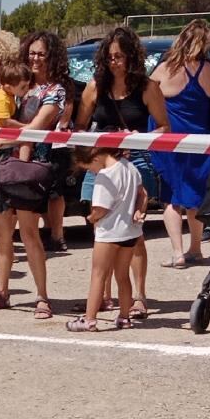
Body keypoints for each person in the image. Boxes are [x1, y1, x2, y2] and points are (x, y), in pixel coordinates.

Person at [79, 25, 164, 311]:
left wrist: (138, 139)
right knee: (100, 229)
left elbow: (165, 127)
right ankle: (102, 295)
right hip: (101, 165)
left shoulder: (148, 87)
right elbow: (80, 127)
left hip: (134, 162)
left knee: (134, 232)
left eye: (120, 56)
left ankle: (139, 296)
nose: (115, 62)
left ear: (131, 57)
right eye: (110, 57)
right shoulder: (94, 87)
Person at [0, 52, 51, 316]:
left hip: (21, 169)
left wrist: (5, 140)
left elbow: (27, 132)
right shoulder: (7, 97)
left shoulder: (43, 95)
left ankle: (41, 296)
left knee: (30, 234)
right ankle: (1, 292)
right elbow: (8, 130)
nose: (36, 60)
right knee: (2, 236)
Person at [149, 19, 210, 268]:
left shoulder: (165, 68)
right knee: (194, 195)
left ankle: (177, 252)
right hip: (200, 141)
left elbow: (146, 92)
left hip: (169, 141)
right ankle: (196, 248)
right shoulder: (208, 69)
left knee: (171, 197)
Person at [70, 135, 146, 332]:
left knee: (98, 275)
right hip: (130, 232)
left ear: (95, 158)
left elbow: (101, 208)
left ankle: (89, 319)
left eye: (89, 169)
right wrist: (138, 210)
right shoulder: (129, 167)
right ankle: (124, 316)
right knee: (123, 276)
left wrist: (92, 217)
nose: (92, 173)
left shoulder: (105, 176)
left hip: (109, 232)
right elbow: (143, 194)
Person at [17, 29, 81, 258]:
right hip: (20, 152)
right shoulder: (21, 84)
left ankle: (56, 234)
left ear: (51, 57)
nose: (35, 58)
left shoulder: (59, 89)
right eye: (32, 53)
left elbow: (42, 123)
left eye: (41, 54)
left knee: (54, 193)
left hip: (50, 149)